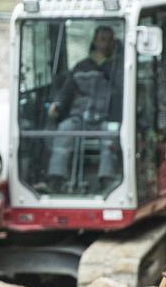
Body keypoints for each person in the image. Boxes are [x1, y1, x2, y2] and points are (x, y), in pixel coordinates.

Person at [43, 25, 122, 191]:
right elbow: (67, 90)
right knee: (64, 130)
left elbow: (121, 92)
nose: (105, 44)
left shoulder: (118, 68)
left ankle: (106, 181)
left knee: (110, 138)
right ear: (94, 40)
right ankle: (55, 179)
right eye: (102, 39)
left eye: (108, 40)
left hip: (105, 118)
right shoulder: (81, 67)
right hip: (79, 117)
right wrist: (57, 105)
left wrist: (105, 65)